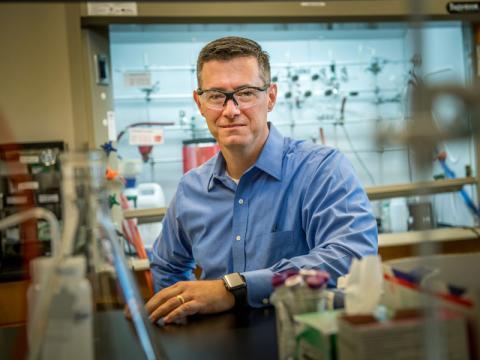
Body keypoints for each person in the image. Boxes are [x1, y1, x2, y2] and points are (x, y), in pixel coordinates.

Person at [145, 36, 377, 324]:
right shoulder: (191, 189)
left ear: (271, 97)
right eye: (216, 95)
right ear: (199, 102)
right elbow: (167, 266)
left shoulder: (321, 170)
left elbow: (351, 255)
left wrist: (235, 289)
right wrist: (175, 309)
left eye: (245, 93)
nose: (231, 110)